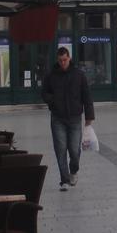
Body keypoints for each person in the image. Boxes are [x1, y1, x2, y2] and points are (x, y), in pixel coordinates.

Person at [41, 46, 95, 191]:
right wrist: (52, 101)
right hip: (58, 118)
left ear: (69, 58)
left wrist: (89, 117)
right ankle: (64, 180)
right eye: (60, 61)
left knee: (74, 150)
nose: (62, 63)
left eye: (65, 60)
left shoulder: (79, 75)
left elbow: (87, 96)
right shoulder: (51, 75)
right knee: (60, 149)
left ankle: (74, 171)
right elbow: (44, 92)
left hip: (75, 118)